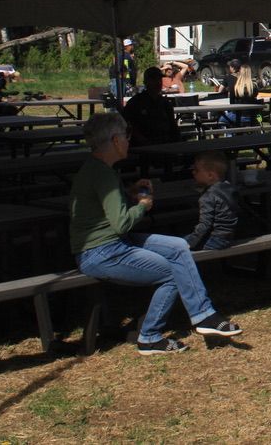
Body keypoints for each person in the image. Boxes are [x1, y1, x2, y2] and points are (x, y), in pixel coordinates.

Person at [70, 113, 242, 354]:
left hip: (111, 243)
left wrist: (129, 193)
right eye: (127, 136)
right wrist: (142, 205)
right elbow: (121, 224)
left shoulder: (98, 169)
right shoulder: (103, 175)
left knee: (178, 247)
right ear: (116, 140)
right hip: (101, 252)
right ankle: (149, 336)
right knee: (172, 272)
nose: (129, 141)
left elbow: (103, 207)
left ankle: (204, 316)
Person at [184, 151, 240, 251]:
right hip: (229, 237)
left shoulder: (208, 196)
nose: (193, 172)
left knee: (176, 245)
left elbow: (205, 225)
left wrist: (190, 244)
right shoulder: (229, 188)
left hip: (215, 240)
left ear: (210, 175)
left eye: (196, 170)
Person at [122, 67, 181, 146]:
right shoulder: (135, 102)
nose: (158, 83)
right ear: (146, 82)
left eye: (159, 79)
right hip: (143, 147)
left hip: (165, 145)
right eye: (154, 79)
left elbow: (173, 126)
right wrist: (143, 141)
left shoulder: (165, 103)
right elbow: (128, 124)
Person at [219, 61, 259, 128]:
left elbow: (231, 104)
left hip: (238, 116)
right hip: (252, 117)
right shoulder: (254, 88)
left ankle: (230, 136)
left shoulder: (236, 88)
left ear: (240, 73)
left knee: (221, 120)